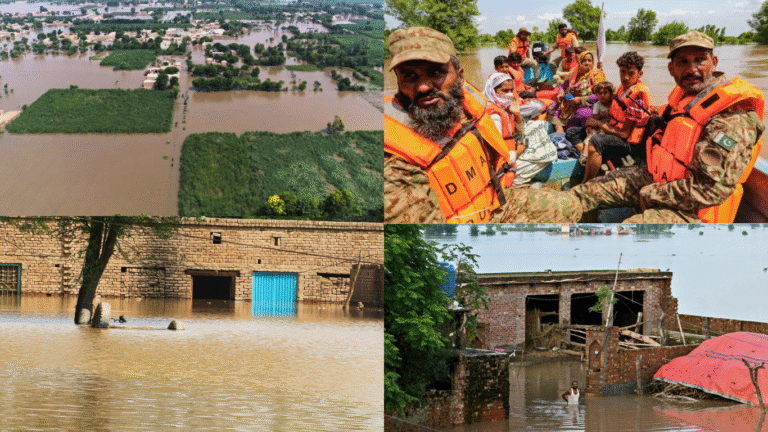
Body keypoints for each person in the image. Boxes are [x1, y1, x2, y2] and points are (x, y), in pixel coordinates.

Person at [384, 26, 582, 223]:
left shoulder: (470, 111)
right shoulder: (393, 162)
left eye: (436, 72)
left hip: (494, 199)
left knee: (572, 205)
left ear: (460, 77)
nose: (423, 87)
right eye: (409, 76)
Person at [568, 30, 765, 223]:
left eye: (700, 60)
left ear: (714, 62)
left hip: (694, 212)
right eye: (683, 62)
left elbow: (710, 190)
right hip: (660, 177)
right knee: (585, 193)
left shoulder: (733, 117)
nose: (692, 69)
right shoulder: (682, 99)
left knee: (626, 233)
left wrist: (651, 193)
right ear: (671, 69)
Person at [581, 52, 651, 182]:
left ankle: (585, 183)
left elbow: (624, 134)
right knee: (575, 131)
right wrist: (596, 119)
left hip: (628, 143)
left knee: (596, 140)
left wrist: (598, 124)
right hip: (614, 128)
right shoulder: (621, 88)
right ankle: (593, 163)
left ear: (639, 74)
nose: (625, 77)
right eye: (622, 72)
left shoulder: (638, 95)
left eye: (631, 73)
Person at [484, 73, 556, 185]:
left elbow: (518, 131)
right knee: (547, 154)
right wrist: (518, 152)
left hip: (511, 147)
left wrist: (517, 115)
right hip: (502, 164)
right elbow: (497, 155)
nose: (509, 94)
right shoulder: (494, 116)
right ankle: (515, 181)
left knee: (537, 125)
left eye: (511, 90)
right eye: (505, 91)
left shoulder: (503, 107)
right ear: (492, 90)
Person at [549, 50, 605, 132]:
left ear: (593, 62)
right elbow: (563, 86)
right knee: (553, 107)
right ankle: (559, 130)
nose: (587, 63)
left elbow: (601, 96)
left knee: (583, 114)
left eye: (589, 61)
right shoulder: (574, 72)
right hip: (570, 103)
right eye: (584, 60)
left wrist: (580, 100)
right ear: (579, 61)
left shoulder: (597, 75)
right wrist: (561, 92)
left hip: (589, 105)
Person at [565, 80, 614, 162]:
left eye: (605, 93)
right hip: (598, 126)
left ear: (611, 94)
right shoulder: (598, 105)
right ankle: (585, 154)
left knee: (594, 137)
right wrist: (600, 116)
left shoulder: (614, 104)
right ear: (596, 95)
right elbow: (594, 117)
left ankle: (590, 156)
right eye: (600, 93)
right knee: (590, 135)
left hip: (609, 128)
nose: (602, 95)